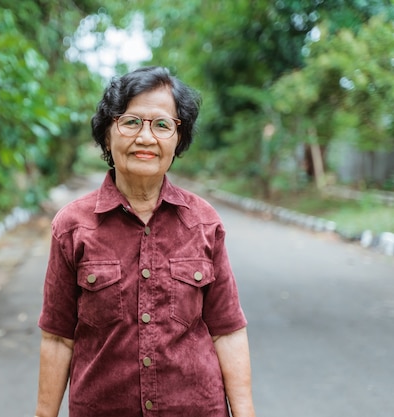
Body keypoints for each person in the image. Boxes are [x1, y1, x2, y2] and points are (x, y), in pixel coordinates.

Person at [35, 66, 256, 417]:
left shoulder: (203, 222)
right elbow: (59, 338)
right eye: (131, 122)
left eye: (162, 125)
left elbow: (226, 331)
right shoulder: (72, 226)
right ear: (107, 135)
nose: (146, 138)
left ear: (177, 141)